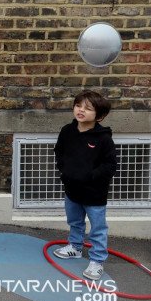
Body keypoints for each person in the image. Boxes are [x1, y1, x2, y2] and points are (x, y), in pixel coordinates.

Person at [53, 90, 117, 280]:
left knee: (97, 228)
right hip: (72, 190)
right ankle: (75, 246)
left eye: (88, 109)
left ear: (100, 116)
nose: (81, 110)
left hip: (94, 194)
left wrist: (91, 176)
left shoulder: (103, 138)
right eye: (78, 106)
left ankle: (97, 260)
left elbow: (110, 165)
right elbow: (59, 152)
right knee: (74, 222)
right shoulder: (67, 131)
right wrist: (64, 172)